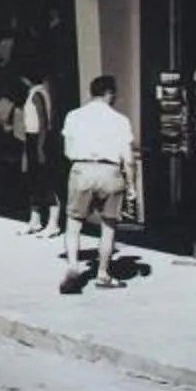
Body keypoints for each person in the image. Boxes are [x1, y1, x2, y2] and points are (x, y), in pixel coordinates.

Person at [59, 74, 138, 292]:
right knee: (109, 225)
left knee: (74, 223)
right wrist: (131, 187)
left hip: (82, 169)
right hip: (110, 171)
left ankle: (74, 267)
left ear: (90, 93)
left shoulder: (73, 116)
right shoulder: (120, 120)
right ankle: (103, 273)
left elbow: (67, 151)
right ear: (110, 94)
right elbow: (128, 159)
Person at [11, 58, 60, 238]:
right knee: (33, 181)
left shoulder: (38, 93)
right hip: (32, 139)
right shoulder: (35, 92)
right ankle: (35, 220)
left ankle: (53, 222)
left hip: (40, 139)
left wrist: (40, 147)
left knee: (45, 182)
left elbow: (43, 122)